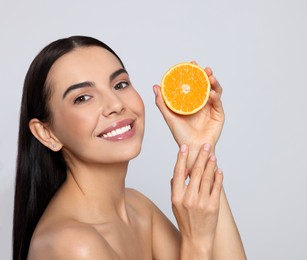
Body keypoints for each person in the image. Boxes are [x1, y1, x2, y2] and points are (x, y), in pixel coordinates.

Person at [13, 35, 246, 260]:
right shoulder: (74, 245)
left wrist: (199, 149)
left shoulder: (137, 208)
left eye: (120, 84)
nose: (115, 104)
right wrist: (197, 242)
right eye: (83, 98)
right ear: (47, 133)